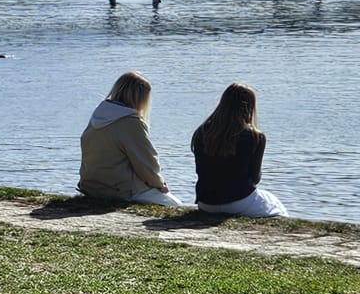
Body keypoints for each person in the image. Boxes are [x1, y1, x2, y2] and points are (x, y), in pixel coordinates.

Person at [78, 70, 182, 205]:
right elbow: (146, 163)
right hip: (118, 190)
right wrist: (160, 184)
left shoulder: (98, 115)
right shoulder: (131, 122)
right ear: (141, 98)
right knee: (176, 205)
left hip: (90, 186)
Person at [191, 83, 288, 217]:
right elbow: (255, 178)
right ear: (250, 107)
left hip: (206, 203)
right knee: (277, 207)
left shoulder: (201, 132)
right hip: (239, 201)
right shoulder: (256, 136)